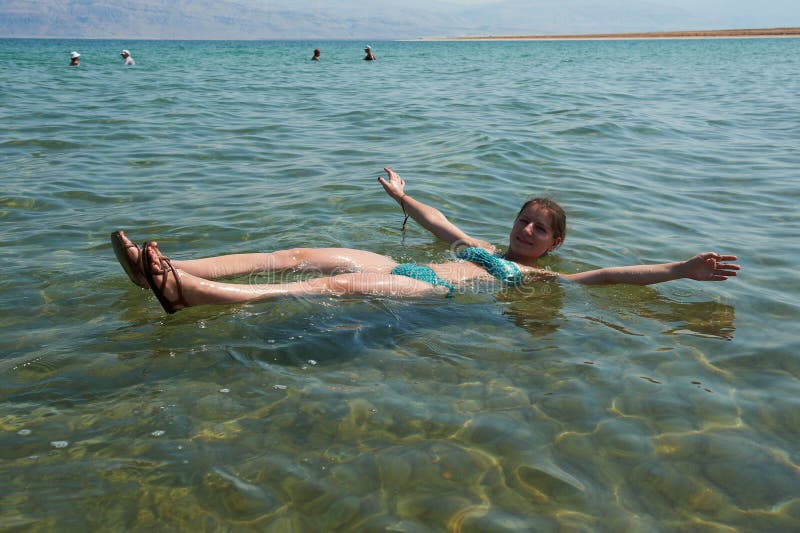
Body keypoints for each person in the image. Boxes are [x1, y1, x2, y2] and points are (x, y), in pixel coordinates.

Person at [111, 168, 739, 314]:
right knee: (303, 252)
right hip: (407, 262)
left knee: (331, 284)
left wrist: (681, 269)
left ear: (552, 247)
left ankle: (195, 294)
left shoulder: (538, 278)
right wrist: (402, 197)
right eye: (523, 219)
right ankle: (162, 265)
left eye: (538, 228)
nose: (525, 229)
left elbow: (611, 276)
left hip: (429, 285)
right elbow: (439, 222)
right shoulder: (483, 246)